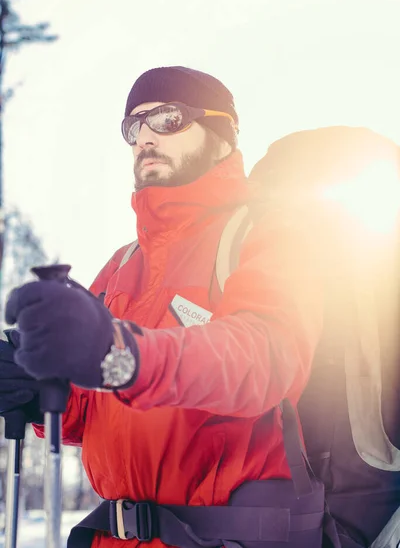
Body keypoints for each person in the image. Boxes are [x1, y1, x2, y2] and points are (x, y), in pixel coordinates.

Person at [1, 66, 323, 548]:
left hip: (224, 538)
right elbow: (91, 412)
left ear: (221, 132)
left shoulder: (267, 233)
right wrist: (38, 388)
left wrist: (122, 354)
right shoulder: (122, 263)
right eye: (134, 125)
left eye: (167, 118)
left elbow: (263, 356)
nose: (144, 136)